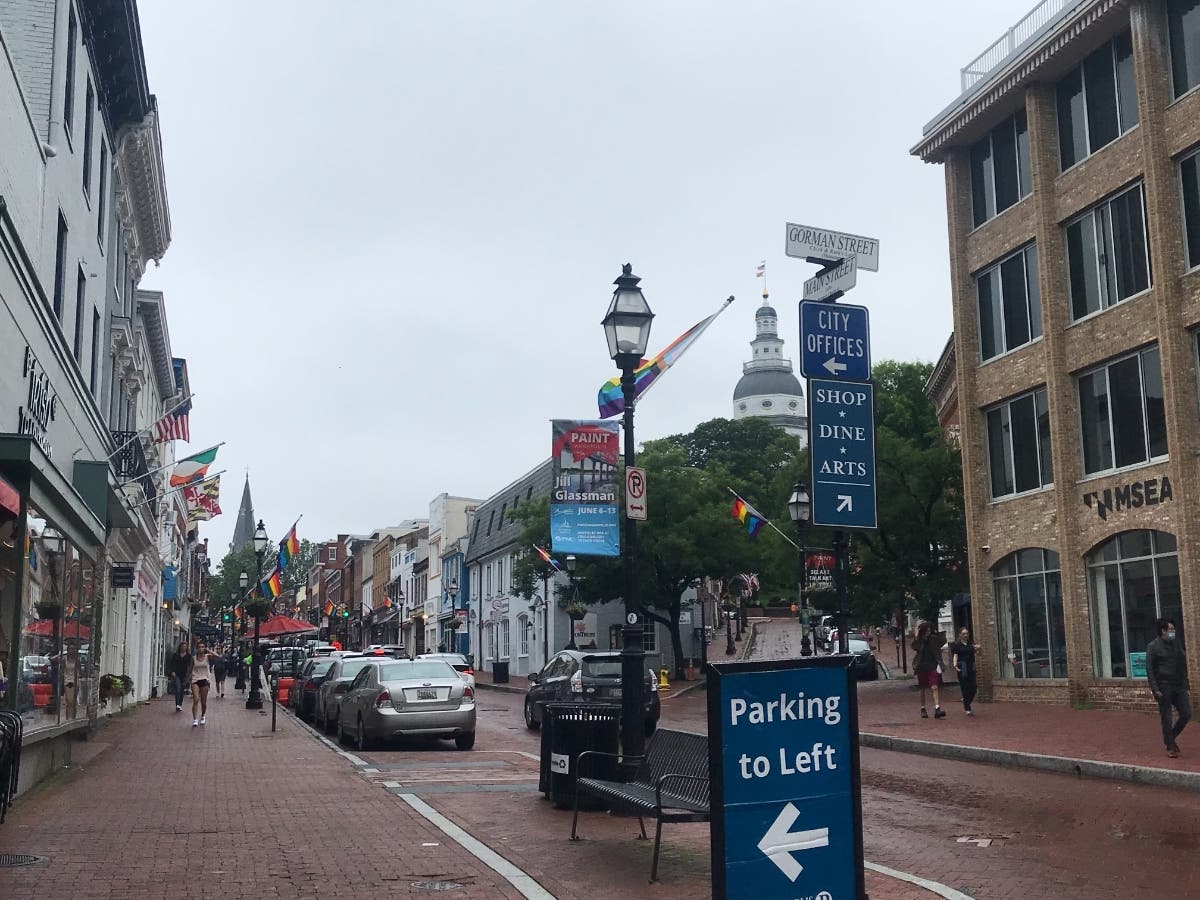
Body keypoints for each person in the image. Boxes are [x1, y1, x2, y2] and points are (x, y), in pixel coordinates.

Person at [1147, 617, 1190, 759]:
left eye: (1174, 629)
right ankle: (1170, 746)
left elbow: (1183, 663)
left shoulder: (1176, 644)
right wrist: (1155, 689)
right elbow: (1150, 670)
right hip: (1163, 686)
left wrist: (1186, 683)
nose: (1173, 632)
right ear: (1163, 631)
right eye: (1170, 629)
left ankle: (1170, 737)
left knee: (1186, 714)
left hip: (1179, 685)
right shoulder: (1153, 646)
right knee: (1167, 717)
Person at [912, 622, 947, 719]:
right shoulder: (919, 640)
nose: (928, 632)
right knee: (923, 689)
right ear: (922, 631)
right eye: (926, 631)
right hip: (921, 666)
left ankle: (937, 708)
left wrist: (935, 631)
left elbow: (943, 640)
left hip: (932, 665)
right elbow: (914, 647)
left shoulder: (933, 639)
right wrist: (916, 635)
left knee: (934, 687)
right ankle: (923, 708)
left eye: (929, 630)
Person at [949, 627, 981, 715]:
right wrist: (955, 664)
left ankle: (967, 701)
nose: (966, 635)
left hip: (970, 667)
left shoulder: (971, 644)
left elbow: (978, 653)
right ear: (960, 635)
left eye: (967, 633)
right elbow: (955, 655)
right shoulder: (957, 645)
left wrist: (979, 649)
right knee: (965, 688)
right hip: (962, 667)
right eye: (964, 634)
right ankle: (967, 707)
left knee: (973, 687)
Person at [188, 640, 216, 727]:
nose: (201, 649)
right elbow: (190, 669)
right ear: (197, 648)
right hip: (195, 680)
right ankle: (195, 719)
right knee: (196, 699)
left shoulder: (207, 657)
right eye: (199, 647)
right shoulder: (193, 658)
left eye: (202, 647)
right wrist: (186, 680)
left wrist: (209, 650)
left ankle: (203, 716)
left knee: (203, 702)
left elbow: (218, 656)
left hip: (205, 679)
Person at [169, 642, 190, 712]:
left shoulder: (188, 656)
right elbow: (172, 664)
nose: (184, 648)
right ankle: (177, 704)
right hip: (177, 674)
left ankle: (180, 704)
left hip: (184, 675)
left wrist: (189, 675)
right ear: (180, 647)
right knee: (178, 688)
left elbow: (190, 665)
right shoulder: (176, 655)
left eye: (185, 646)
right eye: (183, 646)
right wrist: (172, 671)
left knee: (181, 690)